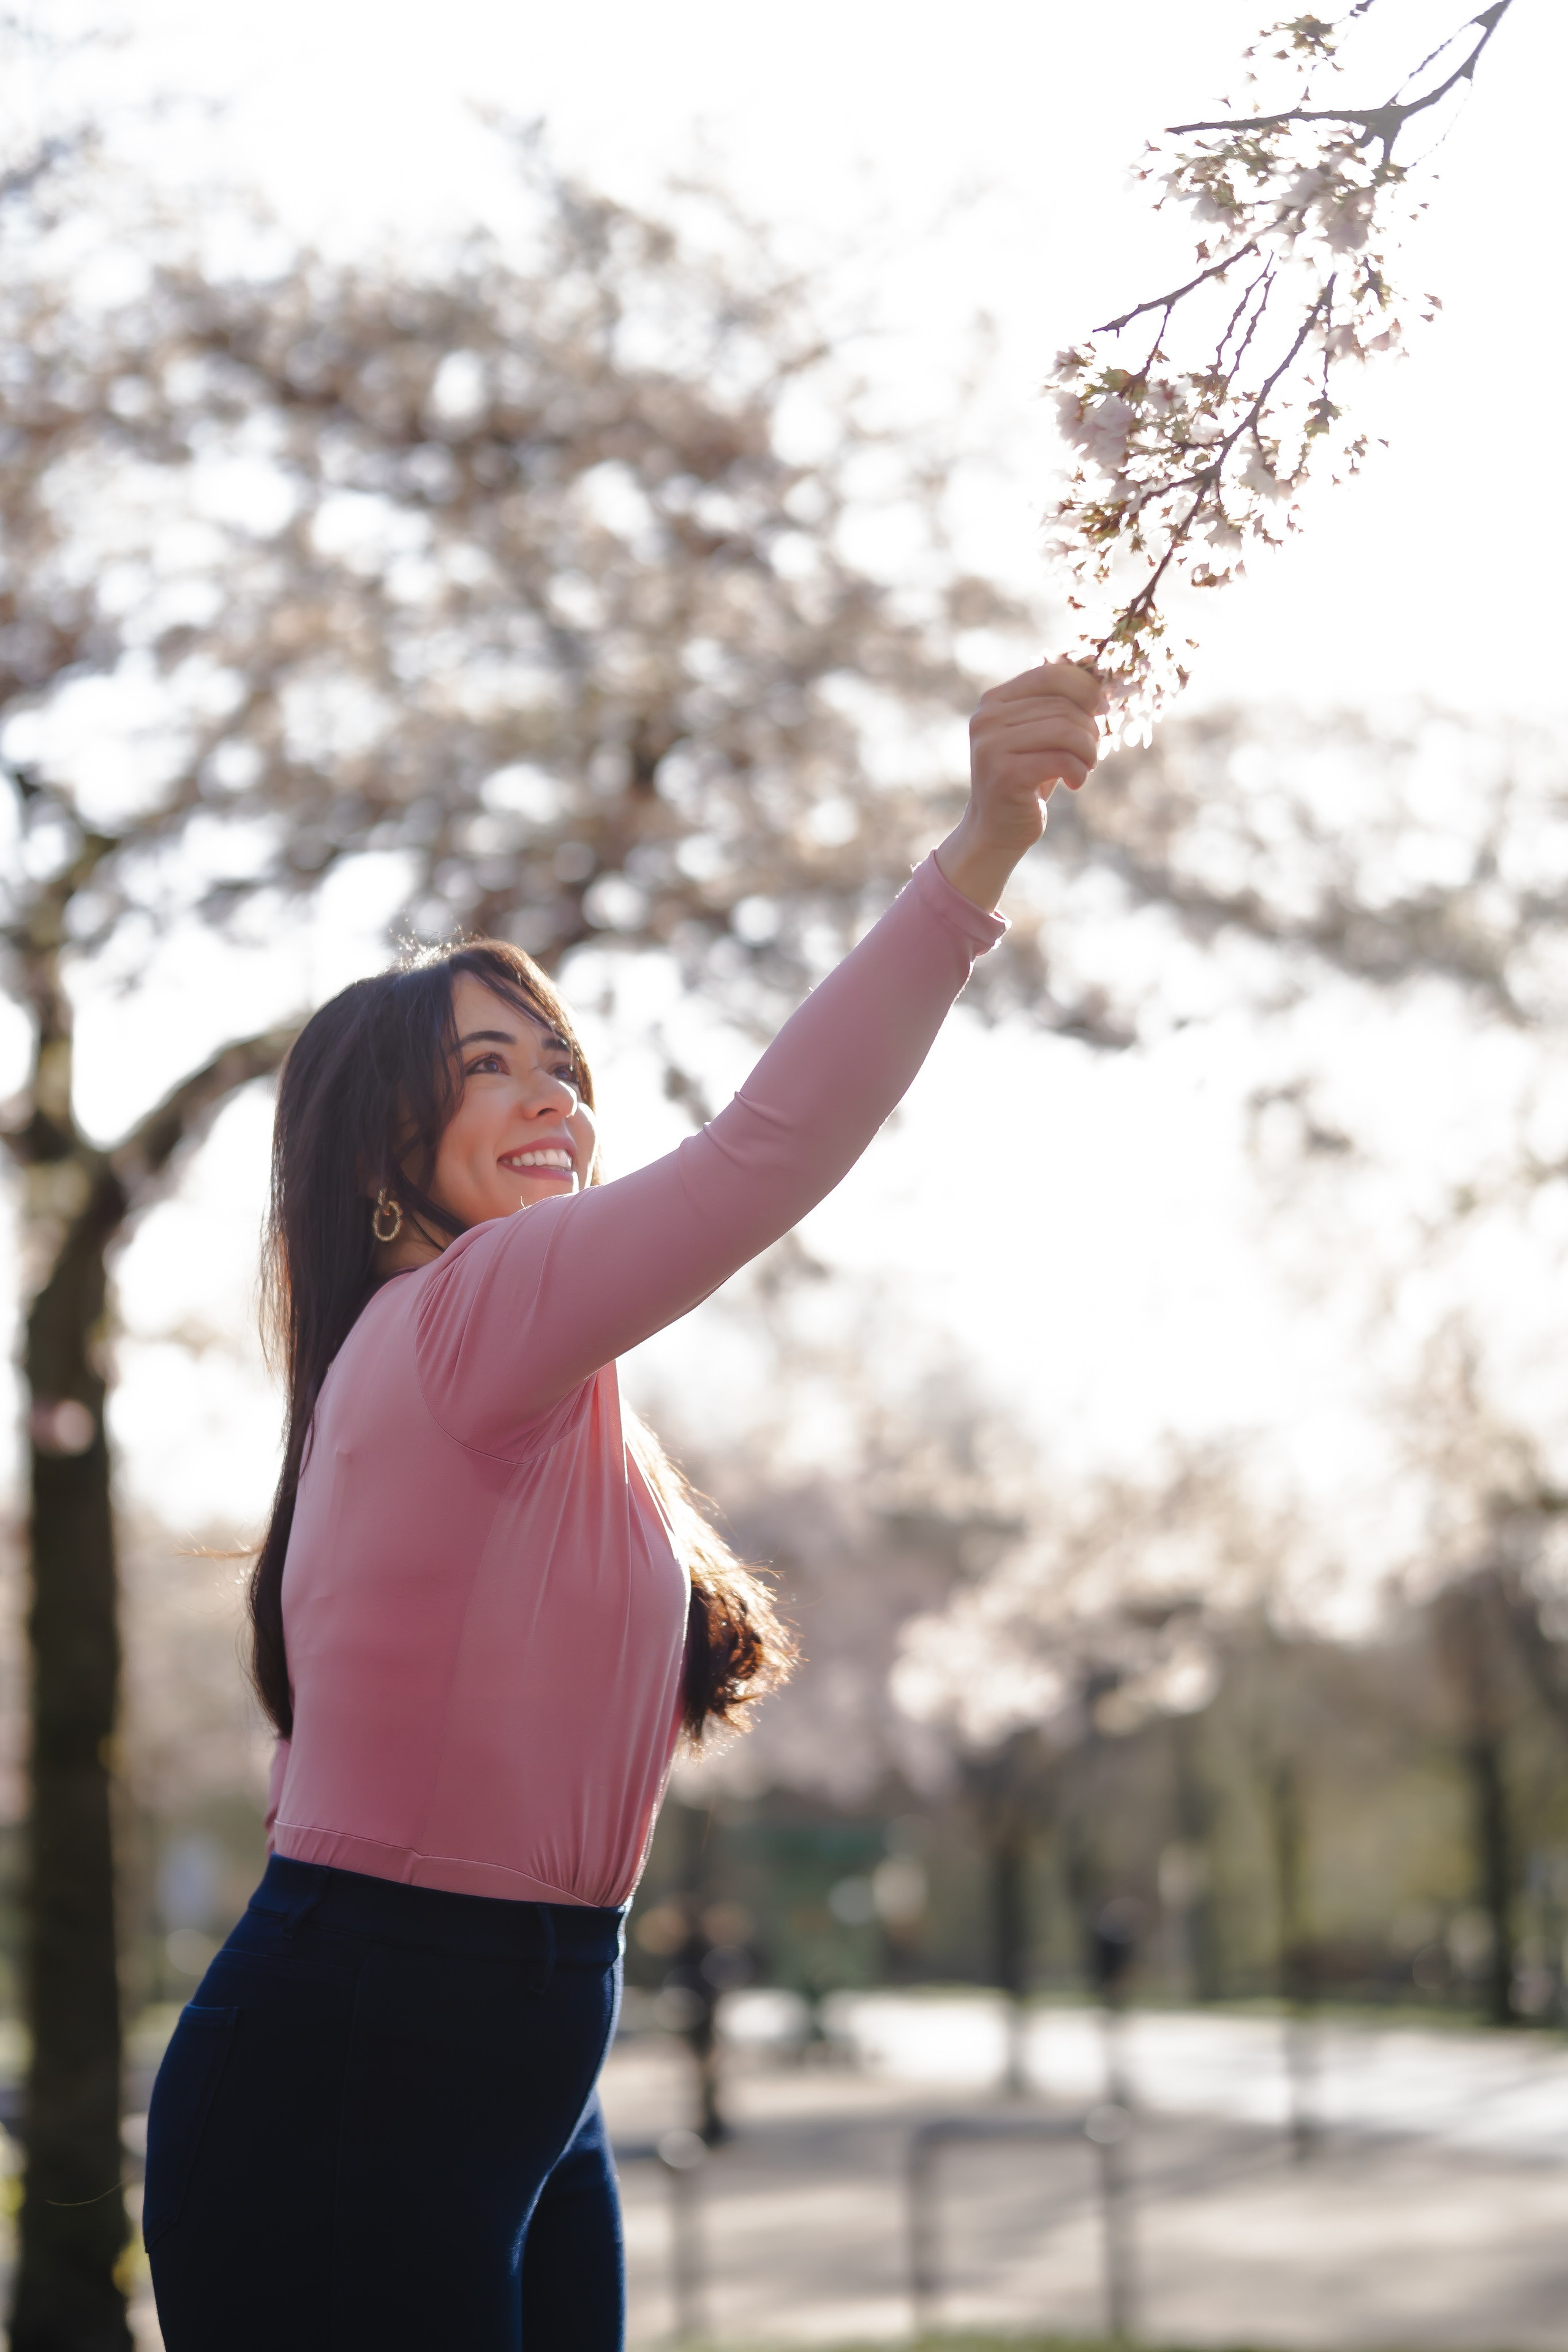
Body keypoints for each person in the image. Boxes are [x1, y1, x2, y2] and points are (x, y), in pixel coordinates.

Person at [141, 659, 1102, 2350]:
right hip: (374, 2049)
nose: (553, 1096)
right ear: (384, 1149)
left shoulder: (532, 1397)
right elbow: (759, 1158)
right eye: (491, 1065)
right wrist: (977, 857)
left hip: (523, 2048)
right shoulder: (459, 1319)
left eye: (558, 1062)